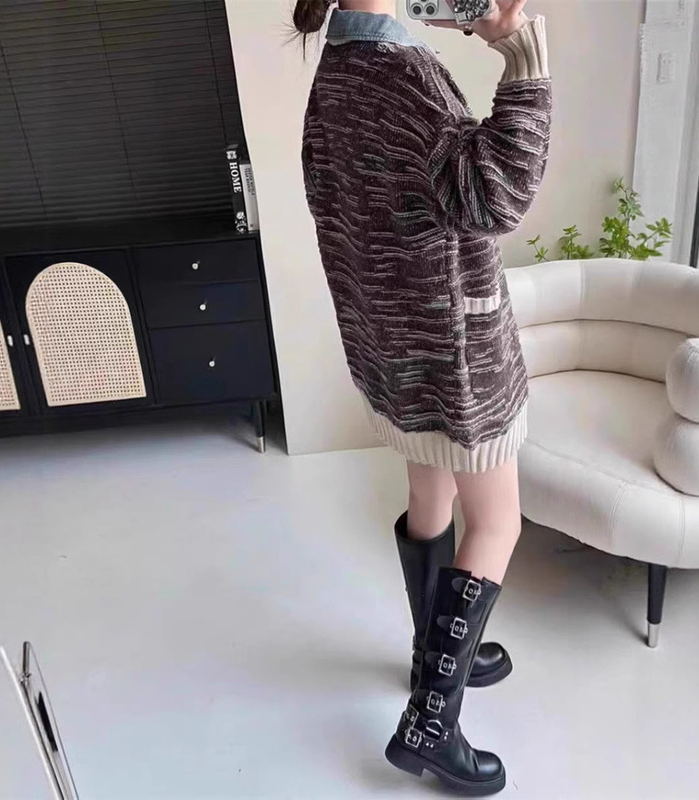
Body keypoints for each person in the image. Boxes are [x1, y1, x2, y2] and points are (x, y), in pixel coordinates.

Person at [295, 0, 551, 794]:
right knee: (498, 522)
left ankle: (432, 655)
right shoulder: (403, 75)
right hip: (455, 352)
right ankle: (431, 723)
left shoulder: (338, 67)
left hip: (393, 345)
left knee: (429, 494)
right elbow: (496, 199)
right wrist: (525, 63)